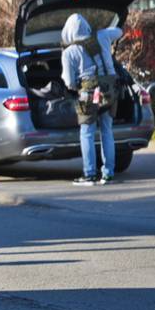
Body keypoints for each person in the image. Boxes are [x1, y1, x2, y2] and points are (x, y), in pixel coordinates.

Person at [60, 14, 123, 186]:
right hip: (110, 90)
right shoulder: (103, 36)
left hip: (88, 94)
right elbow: (119, 31)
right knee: (107, 130)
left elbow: (69, 82)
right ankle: (108, 174)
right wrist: (102, 31)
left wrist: (76, 87)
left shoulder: (69, 53)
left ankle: (89, 175)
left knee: (87, 132)